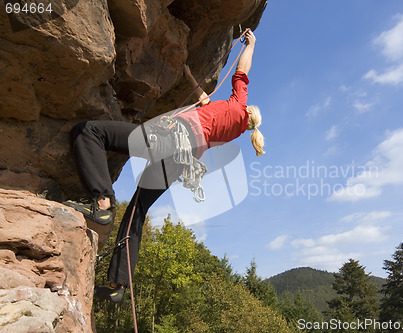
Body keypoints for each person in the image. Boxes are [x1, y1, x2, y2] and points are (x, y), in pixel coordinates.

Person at [63, 30, 263, 303]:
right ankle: (118, 286)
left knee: (90, 132)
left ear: (248, 111)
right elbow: (204, 99)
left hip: (170, 139)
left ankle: (101, 202)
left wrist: (250, 45)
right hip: (180, 162)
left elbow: (241, 72)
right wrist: (189, 74)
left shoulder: (238, 105)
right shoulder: (233, 129)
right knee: (137, 210)